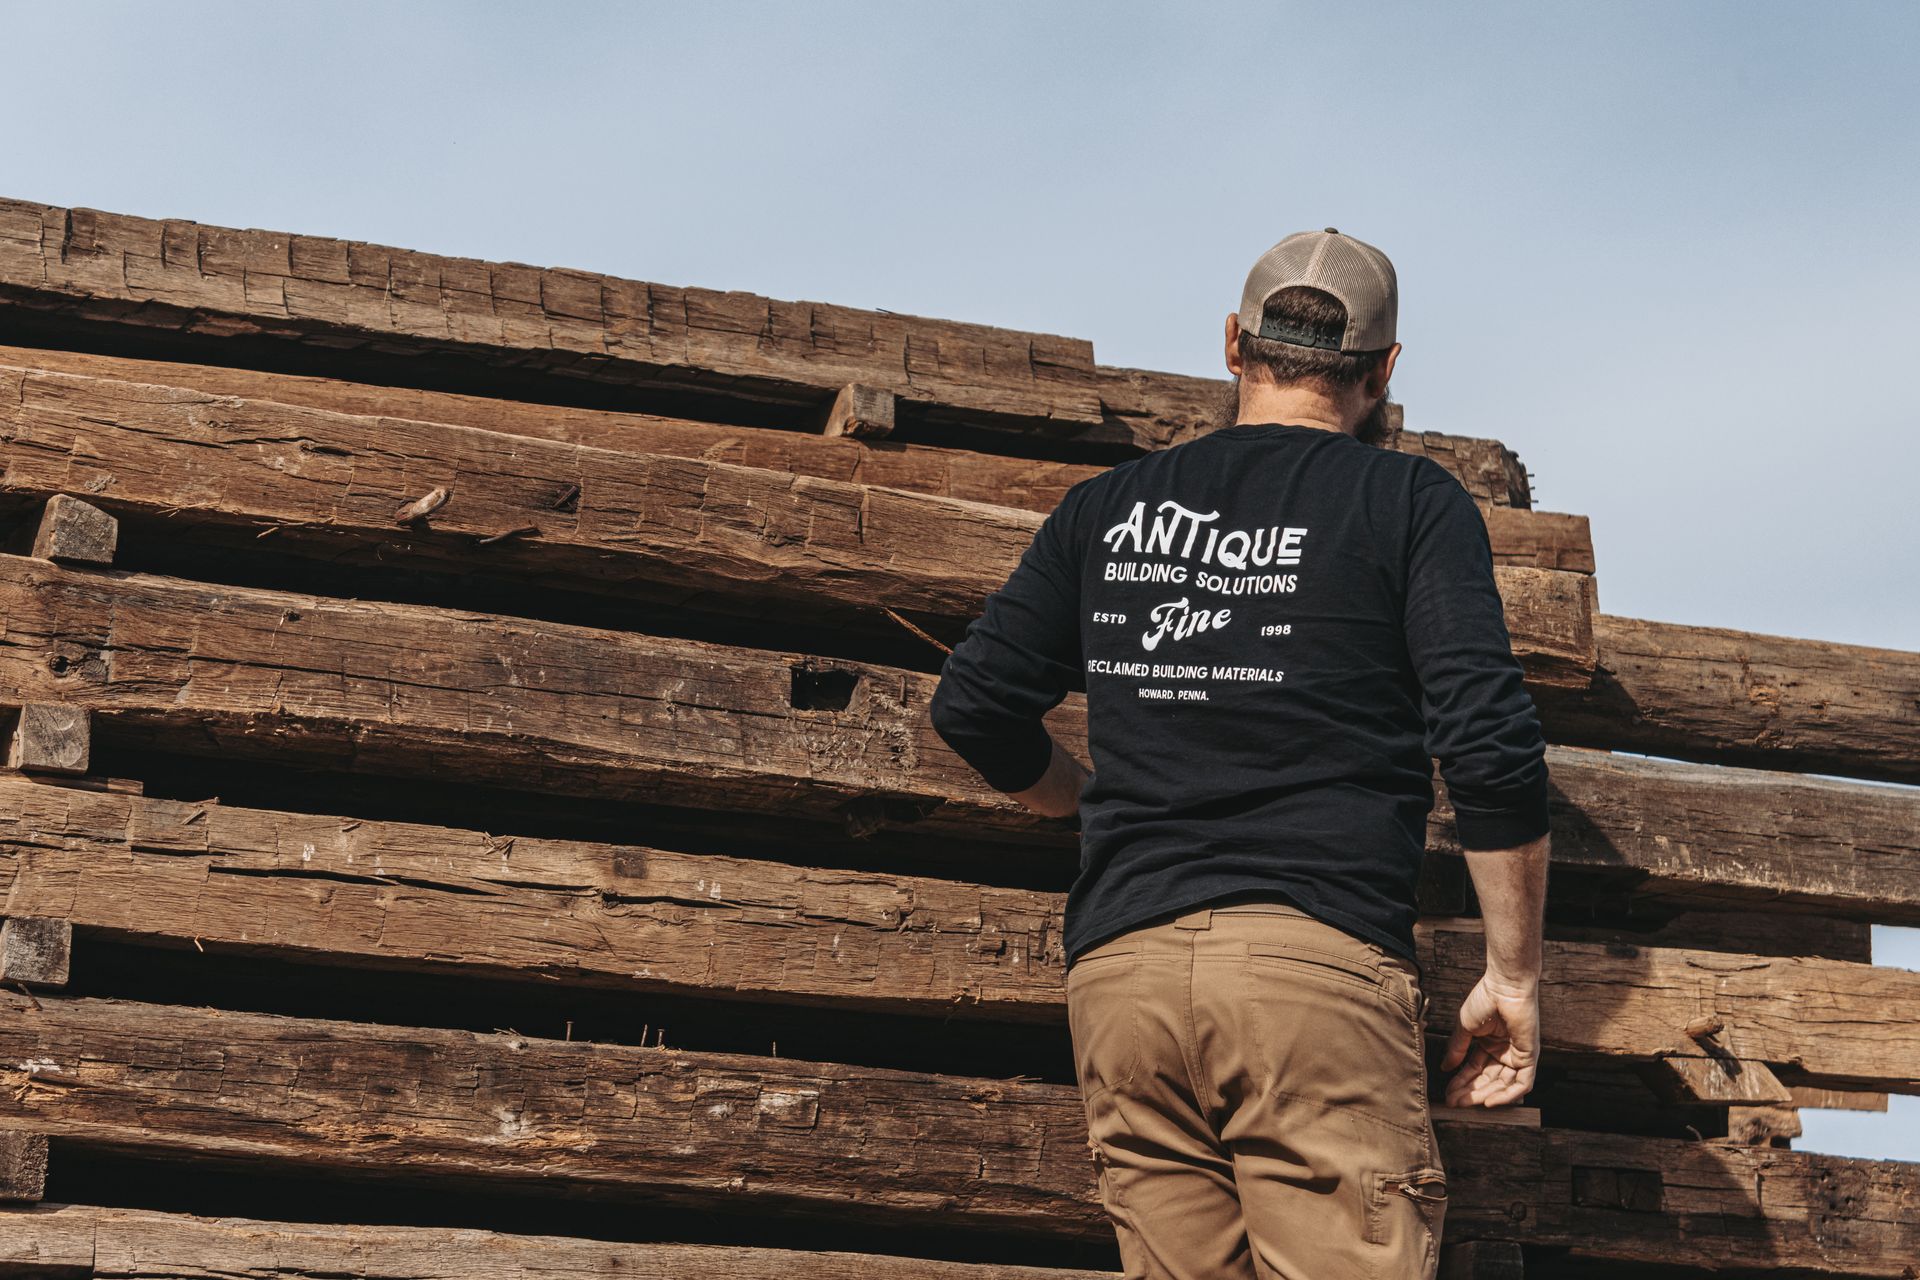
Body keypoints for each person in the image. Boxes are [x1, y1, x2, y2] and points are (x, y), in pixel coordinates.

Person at [927, 229, 1551, 1280]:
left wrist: (1085, 803)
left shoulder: (1107, 510)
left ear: (1232, 344)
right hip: (1310, 977)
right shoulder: (1406, 502)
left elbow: (976, 706)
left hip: (1123, 983)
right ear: (1386, 369)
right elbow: (1489, 745)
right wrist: (1513, 975)